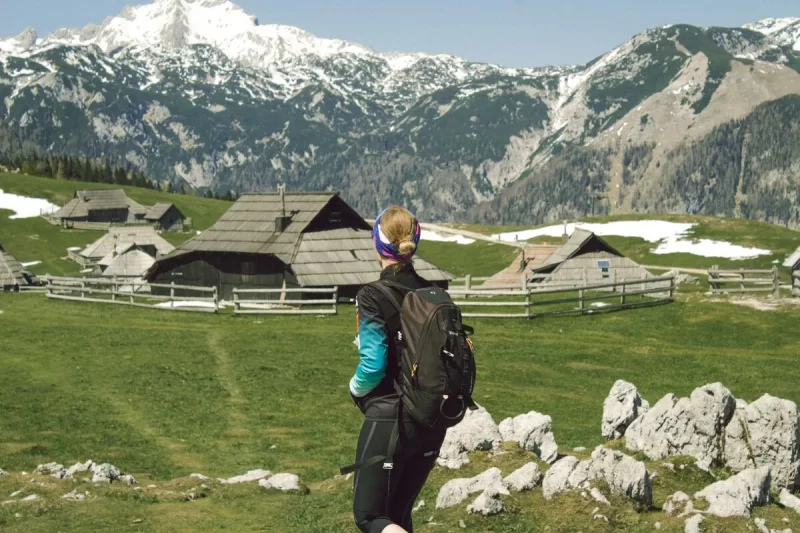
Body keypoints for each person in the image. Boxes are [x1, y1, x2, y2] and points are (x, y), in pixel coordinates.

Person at [348, 205, 446, 533]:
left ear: (377, 244)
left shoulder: (372, 296)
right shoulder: (434, 294)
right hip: (432, 420)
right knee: (399, 514)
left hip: (392, 418)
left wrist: (354, 388)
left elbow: (373, 365)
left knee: (370, 516)